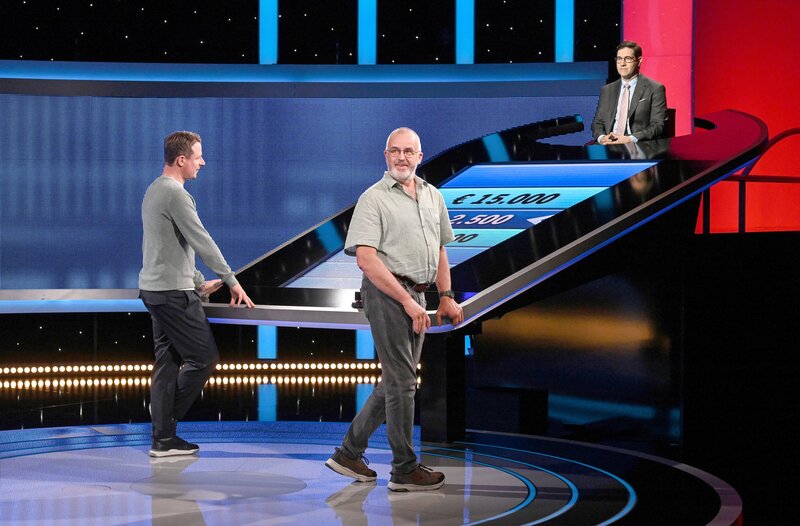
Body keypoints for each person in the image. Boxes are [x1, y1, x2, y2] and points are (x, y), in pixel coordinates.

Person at [325, 127, 464, 492]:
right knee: (402, 383)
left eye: (408, 152)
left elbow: (440, 250)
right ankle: (404, 468)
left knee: (393, 382)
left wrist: (445, 295)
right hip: (387, 294)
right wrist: (406, 301)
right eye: (394, 151)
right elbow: (367, 260)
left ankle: (348, 453)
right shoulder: (373, 199)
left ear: (420, 156)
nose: (401, 158)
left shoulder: (433, 196)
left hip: (418, 294)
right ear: (385, 156)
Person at [139, 131, 255, 458]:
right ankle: (163, 421)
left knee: (167, 362)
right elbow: (202, 241)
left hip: (155, 290)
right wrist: (231, 281)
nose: (202, 162)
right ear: (181, 160)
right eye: (197, 156)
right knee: (204, 358)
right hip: (172, 295)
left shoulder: (153, 190)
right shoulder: (176, 195)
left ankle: (163, 439)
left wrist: (197, 282)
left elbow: (170, 247)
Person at [591, 41, 667, 145]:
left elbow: (657, 126)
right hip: (609, 145)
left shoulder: (655, 89)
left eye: (627, 59)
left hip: (639, 146)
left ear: (639, 61)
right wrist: (602, 137)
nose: (622, 64)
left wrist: (629, 139)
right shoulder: (607, 90)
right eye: (619, 59)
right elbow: (598, 123)